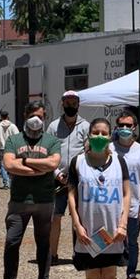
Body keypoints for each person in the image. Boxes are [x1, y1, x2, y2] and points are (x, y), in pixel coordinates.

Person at [68, 118, 131, 279]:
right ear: (89, 134)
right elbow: (71, 195)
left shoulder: (119, 162)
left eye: (104, 133)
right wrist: (77, 224)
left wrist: (123, 223)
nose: (100, 136)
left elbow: (126, 193)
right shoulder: (78, 162)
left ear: (110, 136)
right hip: (88, 232)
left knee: (111, 276)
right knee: (92, 277)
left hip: (113, 232)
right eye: (96, 132)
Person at [0, 102, 61, 279]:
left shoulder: (51, 140)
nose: (36, 119)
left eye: (40, 116)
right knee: (12, 243)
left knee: (44, 244)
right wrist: (38, 168)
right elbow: (8, 164)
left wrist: (23, 161)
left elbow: (53, 163)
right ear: (25, 115)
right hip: (19, 201)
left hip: (44, 201)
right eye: (33, 115)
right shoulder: (14, 140)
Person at [47, 90, 90, 264]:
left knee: (78, 218)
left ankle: (78, 253)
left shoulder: (86, 126)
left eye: (73, 102)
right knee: (55, 218)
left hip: (78, 180)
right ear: (62, 103)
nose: (70, 105)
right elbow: (47, 151)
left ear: (78, 104)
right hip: (57, 179)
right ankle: (52, 255)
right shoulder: (53, 126)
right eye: (67, 102)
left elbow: (88, 151)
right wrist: (56, 173)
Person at [112, 110, 140, 279]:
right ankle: (108, 275)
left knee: (133, 242)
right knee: (109, 240)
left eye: (128, 125)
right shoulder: (109, 148)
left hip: (134, 204)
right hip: (112, 204)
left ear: (135, 127)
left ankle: (131, 275)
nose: (125, 128)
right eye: (121, 125)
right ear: (116, 127)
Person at [0, 111, 19, 189]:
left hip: (2, 148)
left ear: (1, 117)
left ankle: (6, 183)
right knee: (12, 164)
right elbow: (17, 136)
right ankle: (12, 182)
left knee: (3, 165)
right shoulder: (13, 126)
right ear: (8, 116)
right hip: (11, 147)